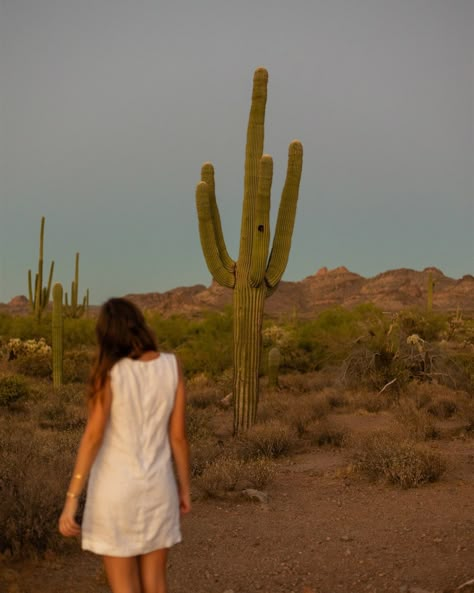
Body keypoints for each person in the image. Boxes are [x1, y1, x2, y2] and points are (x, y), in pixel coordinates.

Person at [59, 297, 191, 593]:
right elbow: (178, 437)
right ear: (139, 325)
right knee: (156, 584)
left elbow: (92, 438)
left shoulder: (109, 373)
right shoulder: (171, 366)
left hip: (115, 492)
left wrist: (72, 498)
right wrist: (183, 488)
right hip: (158, 488)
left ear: (106, 334)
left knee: (124, 587)